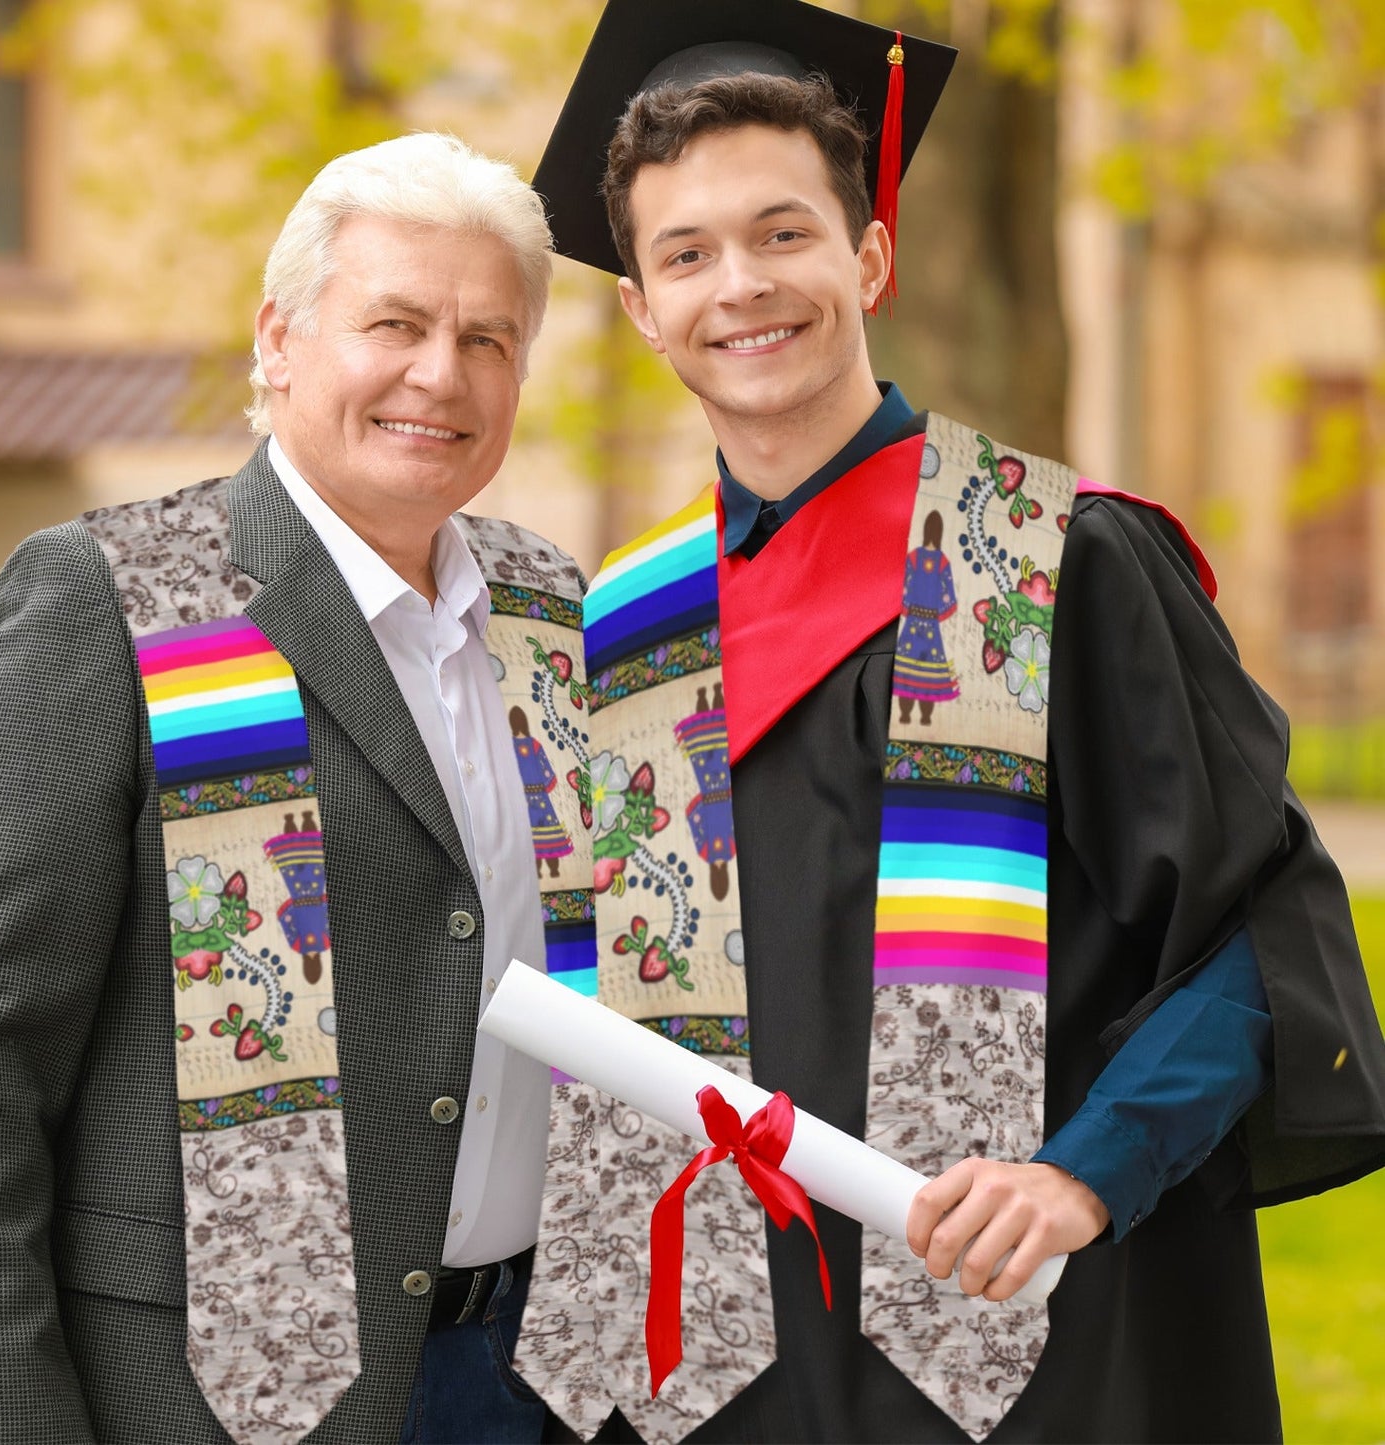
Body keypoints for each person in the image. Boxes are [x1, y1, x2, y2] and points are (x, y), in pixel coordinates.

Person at [510, 2, 1385, 1441]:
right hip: (722, 1378)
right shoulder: (627, 629)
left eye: (782, 233)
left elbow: (1257, 932)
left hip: (1029, 1342)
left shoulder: (1058, 561)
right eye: (686, 254)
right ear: (641, 307)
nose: (740, 285)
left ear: (868, 253)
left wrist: (1083, 1172)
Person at [0, 132, 594, 1445]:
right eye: (394, 322)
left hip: (531, 1384)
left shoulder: (555, 611)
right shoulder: (120, 599)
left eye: (486, 338)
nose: (439, 373)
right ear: (279, 339)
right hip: (213, 1398)